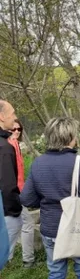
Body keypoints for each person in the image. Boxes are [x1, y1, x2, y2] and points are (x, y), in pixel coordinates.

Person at [20, 117, 80, 279]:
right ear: (70, 137)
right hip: (75, 228)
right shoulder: (78, 162)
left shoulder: (38, 163)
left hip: (51, 229)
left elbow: (27, 199)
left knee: (55, 274)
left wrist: (48, 200)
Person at [8, 119, 35, 268]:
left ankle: (9, 258)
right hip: (13, 193)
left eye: (19, 129)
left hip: (18, 191)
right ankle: (27, 260)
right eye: (14, 129)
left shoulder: (15, 145)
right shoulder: (10, 145)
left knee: (16, 224)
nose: (17, 131)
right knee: (27, 224)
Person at [0, 101, 22, 265]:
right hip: (6, 213)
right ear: (1, 116)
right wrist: (15, 211)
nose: (15, 117)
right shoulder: (4, 148)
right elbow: (7, 185)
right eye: (12, 113)